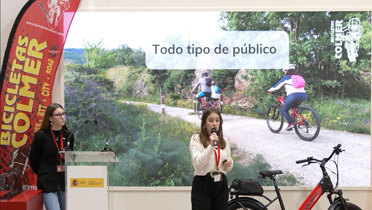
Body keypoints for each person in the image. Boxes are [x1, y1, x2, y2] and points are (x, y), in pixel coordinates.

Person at [30, 103, 75, 210]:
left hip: (64, 181)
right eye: (58, 115)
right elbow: (33, 161)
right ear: (50, 118)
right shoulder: (41, 136)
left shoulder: (69, 135)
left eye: (63, 114)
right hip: (47, 182)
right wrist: (45, 172)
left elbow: (71, 158)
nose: (62, 117)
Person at [189, 108, 233, 210]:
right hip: (203, 183)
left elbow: (228, 169)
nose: (214, 124)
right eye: (211, 120)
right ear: (204, 123)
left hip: (220, 183)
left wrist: (229, 163)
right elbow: (197, 164)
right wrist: (211, 146)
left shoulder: (224, 141)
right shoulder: (196, 139)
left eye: (217, 120)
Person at [267, 64, 307, 131]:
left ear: (286, 71)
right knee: (293, 107)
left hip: (293, 96)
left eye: (284, 71)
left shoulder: (287, 77)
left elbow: (277, 86)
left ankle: (291, 123)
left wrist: (270, 90)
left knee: (284, 110)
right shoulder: (299, 77)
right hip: (303, 95)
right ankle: (297, 119)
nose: (284, 73)